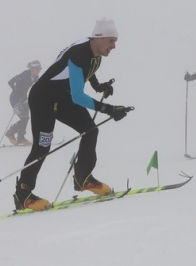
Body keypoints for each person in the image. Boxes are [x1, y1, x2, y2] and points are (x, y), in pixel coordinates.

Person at [14, 18, 132, 211]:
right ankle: (23, 195)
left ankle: (83, 177)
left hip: (62, 98)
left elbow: (87, 71)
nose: (114, 46)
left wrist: (98, 86)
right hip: (43, 99)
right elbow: (78, 96)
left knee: (90, 131)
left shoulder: (95, 52)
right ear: (99, 38)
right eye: (112, 41)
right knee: (42, 147)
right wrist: (109, 109)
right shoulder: (79, 53)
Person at [4, 60, 42, 146]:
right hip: (15, 98)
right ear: (32, 68)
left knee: (26, 118)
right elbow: (10, 82)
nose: (39, 70)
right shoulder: (25, 74)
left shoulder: (36, 77)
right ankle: (11, 133)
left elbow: (39, 87)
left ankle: (20, 138)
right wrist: (17, 91)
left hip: (24, 99)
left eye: (40, 68)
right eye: (37, 68)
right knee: (24, 117)